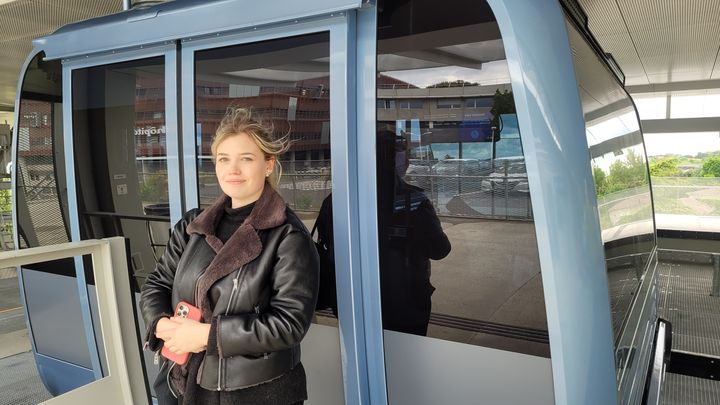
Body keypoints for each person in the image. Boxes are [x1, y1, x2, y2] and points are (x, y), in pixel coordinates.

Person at [140, 107, 319, 405]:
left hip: (257, 393)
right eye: (224, 159)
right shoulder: (192, 225)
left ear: (268, 165)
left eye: (246, 159)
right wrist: (160, 324)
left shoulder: (288, 236)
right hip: (183, 382)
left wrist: (206, 336)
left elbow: (289, 324)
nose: (232, 170)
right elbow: (157, 284)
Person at [376, 130, 451, 336]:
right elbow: (440, 249)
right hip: (407, 302)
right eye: (404, 155)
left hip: (357, 299)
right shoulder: (414, 201)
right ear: (399, 161)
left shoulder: (338, 201)